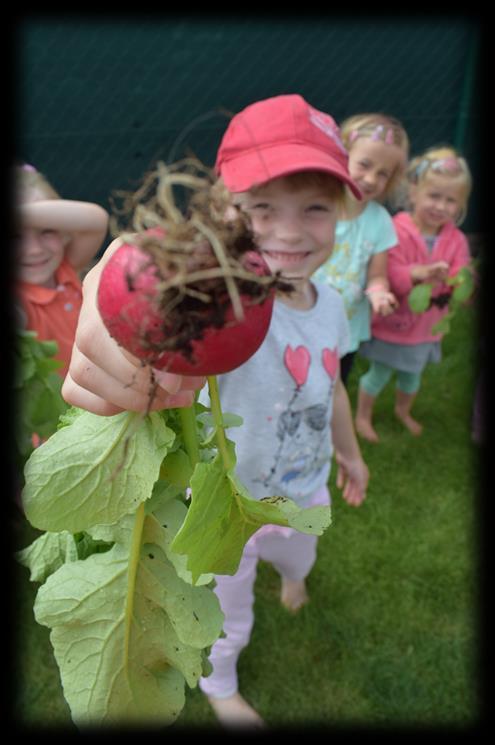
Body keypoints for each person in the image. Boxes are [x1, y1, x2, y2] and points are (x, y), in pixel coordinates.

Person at [61, 94, 369, 727]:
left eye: (314, 208)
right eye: (262, 209)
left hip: (302, 485)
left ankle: (293, 579)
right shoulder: (215, 306)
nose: (288, 231)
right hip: (224, 509)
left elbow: (333, 384)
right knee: (225, 614)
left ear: (343, 213)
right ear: (224, 216)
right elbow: (147, 282)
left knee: (300, 555)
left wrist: (350, 451)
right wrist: (132, 282)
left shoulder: (333, 303)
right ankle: (222, 686)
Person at [355, 146, 472, 442]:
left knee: (412, 376)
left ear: (460, 206)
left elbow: (462, 270)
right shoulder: (396, 230)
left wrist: (463, 281)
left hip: (427, 327)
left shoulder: (456, 239)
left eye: (450, 201)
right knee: (378, 374)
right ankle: (362, 417)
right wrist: (416, 274)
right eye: (434, 196)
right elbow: (389, 272)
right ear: (413, 192)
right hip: (394, 324)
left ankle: (403, 411)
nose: (440, 206)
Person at [313, 113, 409, 384]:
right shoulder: (316, 207)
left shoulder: (380, 221)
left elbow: (377, 274)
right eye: (364, 164)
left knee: (334, 386)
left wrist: (379, 293)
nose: (370, 178)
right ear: (342, 156)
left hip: (346, 326)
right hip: (303, 317)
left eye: (382, 174)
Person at [14, 163, 110, 377]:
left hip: (101, 389)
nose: (34, 250)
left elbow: (97, 220)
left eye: (47, 231)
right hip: (60, 408)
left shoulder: (65, 267)